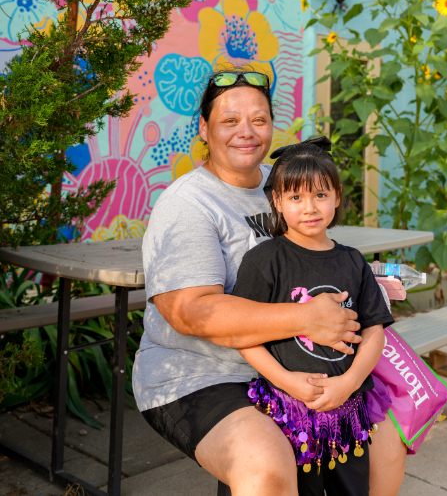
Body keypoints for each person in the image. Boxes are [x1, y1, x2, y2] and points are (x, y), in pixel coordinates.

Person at [132, 69, 407, 496]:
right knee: (266, 467)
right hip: (202, 375)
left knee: (387, 441)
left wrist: (357, 284)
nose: (247, 131)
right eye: (230, 121)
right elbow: (189, 312)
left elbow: (314, 258)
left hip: (301, 364)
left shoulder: (284, 182)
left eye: (259, 120)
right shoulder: (188, 204)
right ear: (204, 129)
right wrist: (306, 318)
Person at [232, 139, 393, 496]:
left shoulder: (353, 262)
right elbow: (244, 336)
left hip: (348, 415)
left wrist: (349, 383)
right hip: (287, 414)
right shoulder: (263, 262)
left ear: (337, 197)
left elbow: (374, 333)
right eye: (295, 198)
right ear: (276, 201)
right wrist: (287, 381)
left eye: (320, 195)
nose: (310, 208)